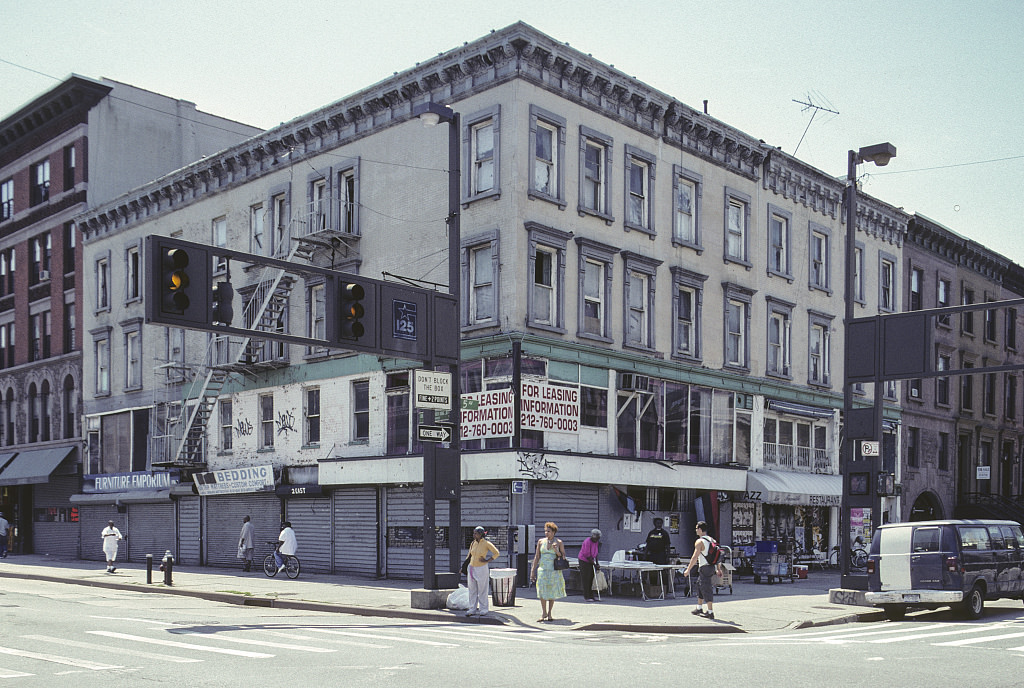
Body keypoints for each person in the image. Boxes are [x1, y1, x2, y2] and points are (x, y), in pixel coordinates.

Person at [683, 520, 723, 620]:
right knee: (700, 585)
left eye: (696, 528)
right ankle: (699, 608)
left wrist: (688, 569)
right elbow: (717, 556)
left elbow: (694, 556)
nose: (696, 530)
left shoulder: (700, 541)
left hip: (704, 567)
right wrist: (718, 569)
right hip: (711, 567)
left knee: (706, 588)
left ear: (700, 529)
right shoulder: (712, 540)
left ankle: (710, 612)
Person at [530, 521, 567, 622]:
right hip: (542, 570)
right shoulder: (541, 541)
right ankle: (543, 612)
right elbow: (537, 556)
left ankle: (550, 613)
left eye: (549, 531)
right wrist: (532, 571)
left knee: (551, 592)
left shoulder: (559, 542)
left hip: (553, 570)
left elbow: (563, 556)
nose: (546, 533)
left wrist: (556, 551)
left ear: (554, 532)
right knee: (542, 592)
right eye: (545, 531)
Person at [466, 526, 500, 617]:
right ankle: (472, 608)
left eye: (476, 533)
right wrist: (464, 566)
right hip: (472, 567)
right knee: (472, 589)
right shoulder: (473, 543)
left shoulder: (486, 543)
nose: (474, 535)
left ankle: (483, 609)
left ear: (481, 534)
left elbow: (496, 553)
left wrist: (487, 560)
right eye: (473, 533)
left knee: (482, 589)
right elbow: (469, 555)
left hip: (481, 568)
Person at [578, 529, 602, 602]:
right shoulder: (587, 541)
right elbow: (587, 554)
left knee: (591, 578)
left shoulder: (597, 542)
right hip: (584, 560)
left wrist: (597, 563)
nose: (597, 539)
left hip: (591, 560)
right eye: (596, 538)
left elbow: (596, 553)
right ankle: (587, 596)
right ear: (593, 536)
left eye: (598, 538)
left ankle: (591, 595)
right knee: (586, 578)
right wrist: (594, 564)